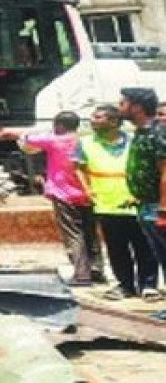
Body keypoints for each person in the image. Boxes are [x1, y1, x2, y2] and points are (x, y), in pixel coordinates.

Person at [10, 111, 104, 285]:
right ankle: (97, 270)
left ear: (59, 125)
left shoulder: (53, 140)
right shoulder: (86, 140)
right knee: (91, 233)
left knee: (74, 234)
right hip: (88, 192)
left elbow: (26, 140)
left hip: (64, 194)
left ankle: (81, 274)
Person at [79, 104, 158, 300]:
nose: (92, 120)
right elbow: (78, 166)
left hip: (136, 202)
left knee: (145, 247)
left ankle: (148, 285)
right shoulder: (86, 143)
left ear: (114, 121)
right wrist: (87, 190)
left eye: (98, 117)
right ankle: (125, 285)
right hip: (106, 203)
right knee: (117, 249)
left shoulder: (135, 141)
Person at [118, 87, 166, 301]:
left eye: (123, 103)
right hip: (147, 203)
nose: (120, 108)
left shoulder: (158, 132)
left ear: (136, 107)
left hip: (158, 206)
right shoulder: (142, 132)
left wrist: (164, 208)